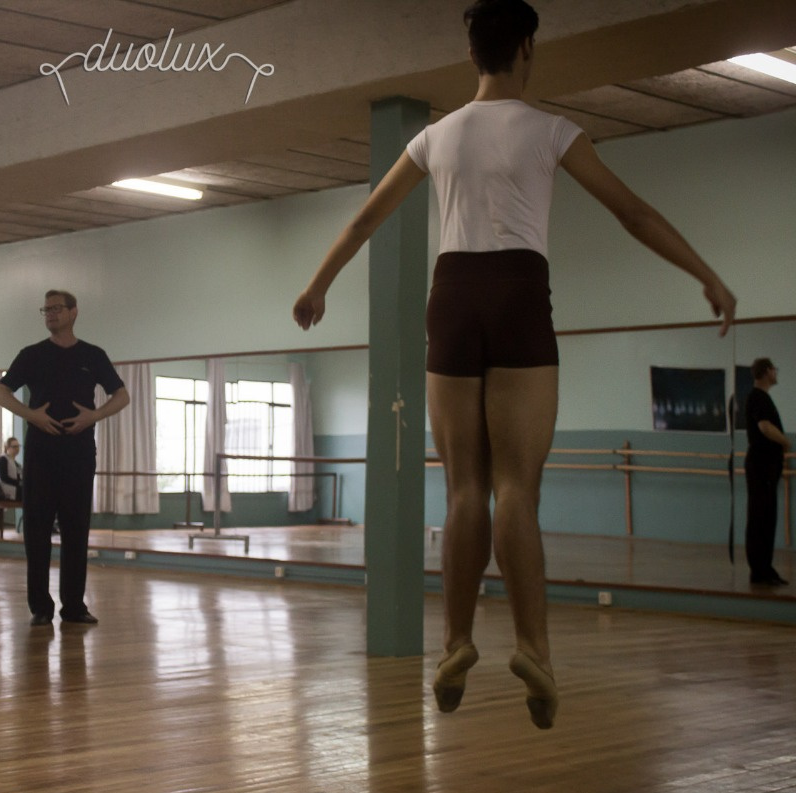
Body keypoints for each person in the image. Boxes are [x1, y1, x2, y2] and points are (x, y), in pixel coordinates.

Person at [291, 0, 735, 728]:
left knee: (464, 488)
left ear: (473, 55)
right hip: (520, 293)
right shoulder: (553, 131)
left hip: (451, 297)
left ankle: (455, 641)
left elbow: (368, 216)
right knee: (516, 491)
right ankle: (534, 649)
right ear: (527, 47)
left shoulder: (434, 137)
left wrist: (318, 284)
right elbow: (632, 212)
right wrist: (705, 274)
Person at [0, 290, 129, 626]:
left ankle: (74, 607)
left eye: (56, 308)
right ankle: (40, 607)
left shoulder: (93, 355)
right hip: (41, 454)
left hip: (79, 454)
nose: (51, 314)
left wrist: (94, 416)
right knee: (37, 531)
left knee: (76, 530)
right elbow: (0, 392)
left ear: (73, 312)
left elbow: (121, 395)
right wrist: (32, 416)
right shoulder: (32, 355)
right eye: (46, 309)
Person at [744, 358, 790, 587]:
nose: (776, 373)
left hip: (766, 466)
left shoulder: (762, 397)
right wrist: (785, 442)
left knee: (767, 517)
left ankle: (765, 568)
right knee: (760, 517)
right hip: (761, 466)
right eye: (774, 369)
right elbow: (765, 427)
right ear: (765, 372)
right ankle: (759, 570)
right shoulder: (758, 398)